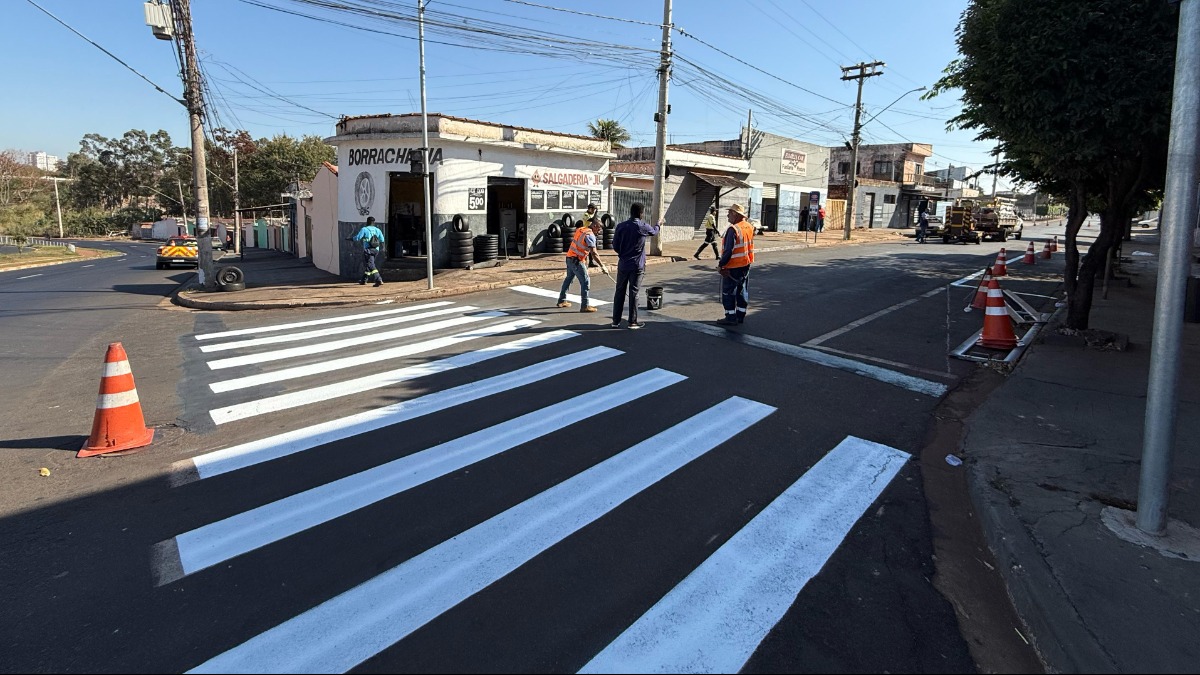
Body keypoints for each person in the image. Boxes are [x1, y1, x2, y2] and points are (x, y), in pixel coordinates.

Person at [610, 202, 660, 329]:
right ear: (641, 214)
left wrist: (622, 254)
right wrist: (659, 224)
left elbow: (615, 245)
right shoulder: (642, 226)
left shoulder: (621, 226)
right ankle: (632, 321)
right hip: (637, 265)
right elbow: (654, 232)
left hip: (623, 264)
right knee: (634, 292)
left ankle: (616, 321)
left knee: (619, 291)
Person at [716, 203, 755, 326]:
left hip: (733, 266)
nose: (727, 216)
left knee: (728, 292)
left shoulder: (733, 229)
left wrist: (721, 265)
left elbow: (728, 250)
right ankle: (740, 315)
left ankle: (730, 317)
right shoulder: (749, 227)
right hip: (745, 264)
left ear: (735, 214)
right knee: (742, 290)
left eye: (729, 213)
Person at [557, 215, 602, 313]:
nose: (600, 230)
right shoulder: (590, 236)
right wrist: (602, 266)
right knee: (585, 281)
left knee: (569, 279)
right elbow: (594, 253)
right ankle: (585, 306)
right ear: (594, 226)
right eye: (599, 227)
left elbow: (579, 246)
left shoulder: (581, 229)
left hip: (569, 257)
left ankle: (562, 300)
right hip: (576, 261)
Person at [348, 216, 385, 287]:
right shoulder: (378, 230)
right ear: (374, 222)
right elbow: (382, 240)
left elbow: (358, 238)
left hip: (368, 250)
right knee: (369, 264)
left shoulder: (364, 229)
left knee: (371, 265)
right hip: (376, 250)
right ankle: (364, 280)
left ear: (367, 222)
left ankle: (378, 279)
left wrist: (350, 239)